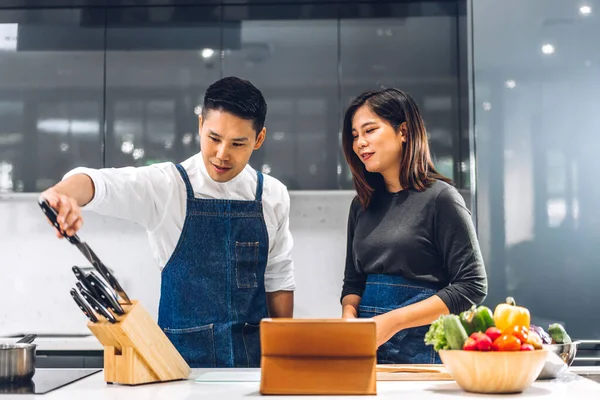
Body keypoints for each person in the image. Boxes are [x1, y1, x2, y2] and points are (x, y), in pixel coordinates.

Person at [41, 77, 295, 368]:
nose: (222, 154)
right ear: (200, 125)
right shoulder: (167, 186)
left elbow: (278, 280)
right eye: (214, 138)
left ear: (259, 139)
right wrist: (62, 194)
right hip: (178, 370)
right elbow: (102, 183)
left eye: (238, 143)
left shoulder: (273, 195)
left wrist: (283, 360)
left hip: (251, 371)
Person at [339, 88, 487, 364]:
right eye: (355, 135)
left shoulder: (441, 198)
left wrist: (392, 322)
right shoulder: (361, 205)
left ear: (404, 132)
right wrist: (349, 316)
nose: (359, 142)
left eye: (369, 130)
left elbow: (472, 286)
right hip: (367, 347)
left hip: (422, 349)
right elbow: (353, 282)